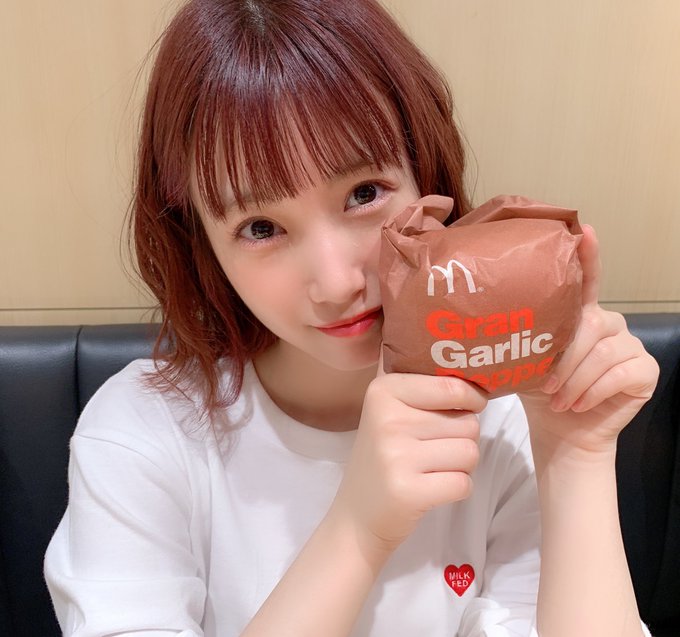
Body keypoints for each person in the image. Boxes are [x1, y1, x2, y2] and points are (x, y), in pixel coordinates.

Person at [44, 1, 660, 635]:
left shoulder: (506, 417)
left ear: (426, 176)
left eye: (364, 194)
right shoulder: (144, 434)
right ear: (202, 245)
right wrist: (358, 530)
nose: (338, 281)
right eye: (261, 228)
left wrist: (573, 454)